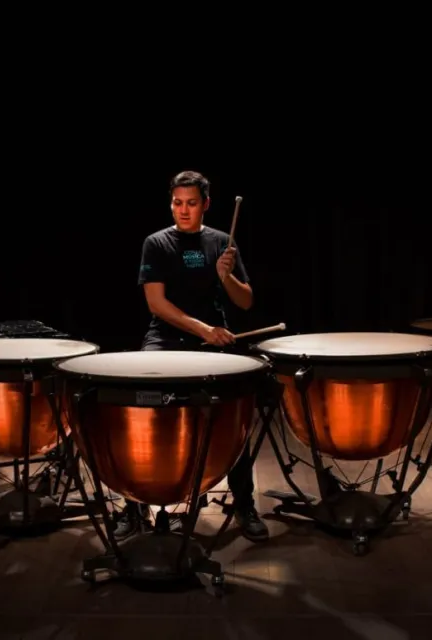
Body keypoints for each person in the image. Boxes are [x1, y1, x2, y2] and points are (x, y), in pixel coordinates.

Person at [111, 169, 269, 543]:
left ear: (206, 205)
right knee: (143, 413)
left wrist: (225, 276)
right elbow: (156, 304)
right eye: (177, 203)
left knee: (234, 417)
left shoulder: (221, 243)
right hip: (166, 338)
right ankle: (132, 506)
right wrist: (202, 330)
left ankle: (244, 501)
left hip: (216, 341)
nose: (183, 210)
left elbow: (245, 301)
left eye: (192, 203)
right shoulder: (156, 243)